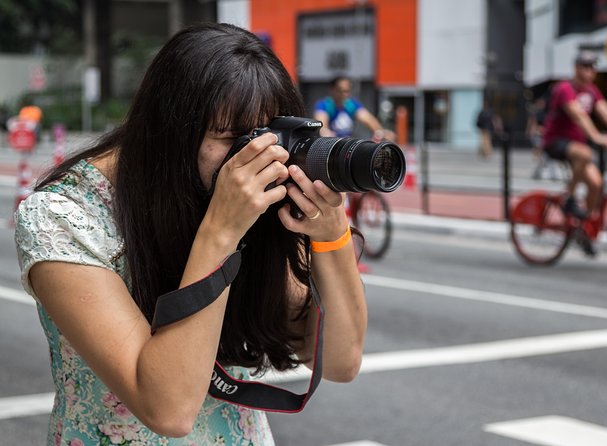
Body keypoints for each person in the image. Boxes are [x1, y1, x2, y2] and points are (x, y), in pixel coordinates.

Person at [14, 23, 367, 445]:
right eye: (233, 138)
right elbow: (168, 409)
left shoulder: (253, 200)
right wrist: (220, 231)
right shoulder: (62, 216)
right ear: (170, 133)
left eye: (267, 137)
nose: (256, 157)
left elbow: (342, 361)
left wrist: (331, 233)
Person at [542, 50, 607, 254]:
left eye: (593, 67)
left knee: (597, 184)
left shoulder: (592, 91)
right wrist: (597, 137)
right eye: (585, 66)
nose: (590, 71)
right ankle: (569, 199)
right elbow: (579, 115)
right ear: (576, 68)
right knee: (585, 153)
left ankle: (582, 228)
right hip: (556, 142)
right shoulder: (565, 88)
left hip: (577, 147)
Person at [313, 75, 395, 142]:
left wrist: (380, 132)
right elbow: (322, 126)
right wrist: (326, 133)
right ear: (332, 89)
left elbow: (367, 118)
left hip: (348, 143)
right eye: (341, 90)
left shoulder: (350, 104)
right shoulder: (324, 105)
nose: (345, 94)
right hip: (331, 144)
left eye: (347, 91)